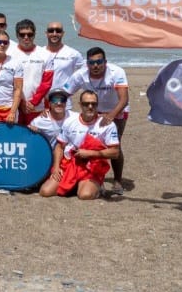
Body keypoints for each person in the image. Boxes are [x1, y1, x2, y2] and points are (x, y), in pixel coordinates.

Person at [61, 47, 132, 190]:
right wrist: (52, 107)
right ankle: (95, 177)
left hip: (116, 109)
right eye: (91, 62)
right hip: (93, 108)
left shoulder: (116, 72)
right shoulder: (80, 74)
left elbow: (124, 99)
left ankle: (117, 180)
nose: (95, 65)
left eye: (99, 62)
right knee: (92, 144)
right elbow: (64, 93)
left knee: (114, 145)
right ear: (87, 64)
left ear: (105, 62)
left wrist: (111, 116)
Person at [38, 90, 121, 200]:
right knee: (45, 191)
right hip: (70, 163)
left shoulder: (107, 124)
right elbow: (60, 146)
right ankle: (76, 184)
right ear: (80, 105)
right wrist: (56, 167)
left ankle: (97, 186)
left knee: (85, 195)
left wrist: (90, 153)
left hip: (92, 166)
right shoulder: (70, 121)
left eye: (94, 104)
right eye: (86, 104)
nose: (90, 107)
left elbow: (115, 152)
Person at [9, 19, 56, 123]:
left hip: (36, 107)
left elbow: (46, 83)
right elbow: (8, 80)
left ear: (34, 35)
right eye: (22, 35)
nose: (26, 37)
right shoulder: (9, 54)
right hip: (14, 106)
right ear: (17, 35)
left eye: (29, 34)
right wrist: (21, 102)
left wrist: (33, 102)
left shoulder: (45, 54)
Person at [42, 21, 85, 100]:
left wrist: (69, 90)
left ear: (63, 33)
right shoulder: (39, 53)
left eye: (58, 31)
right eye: (51, 31)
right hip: (42, 101)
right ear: (46, 33)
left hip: (63, 101)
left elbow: (85, 72)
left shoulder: (73, 54)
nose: (54, 34)